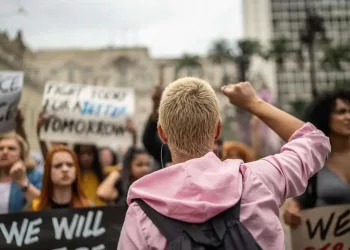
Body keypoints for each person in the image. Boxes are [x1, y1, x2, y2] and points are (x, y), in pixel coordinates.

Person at [117, 78, 330, 249]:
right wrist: (253, 103)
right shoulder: (260, 178)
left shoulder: (142, 212)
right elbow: (315, 141)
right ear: (218, 129)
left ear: (162, 134)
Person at [283, 89, 350, 228]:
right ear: (325, 117)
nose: (348, 117)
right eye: (341, 112)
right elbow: (299, 203)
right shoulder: (313, 161)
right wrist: (292, 212)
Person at [27, 145, 90, 210]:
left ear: (76, 170)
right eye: (58, 166)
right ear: (48, 171)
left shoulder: (88, 207)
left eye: (70, 165)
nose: (65, 169)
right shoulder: (36, 208)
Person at [0, 133, 42, 213]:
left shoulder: (35, 176)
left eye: (11, 148)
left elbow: (43, 205)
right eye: (1, 148)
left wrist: (23, 182)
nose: (4, 152)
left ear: (21, 154)